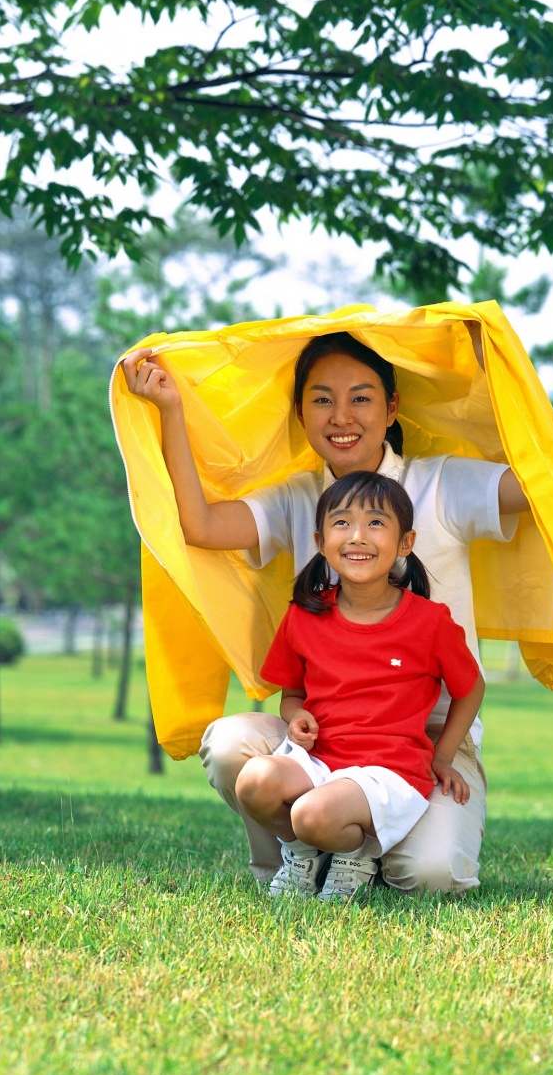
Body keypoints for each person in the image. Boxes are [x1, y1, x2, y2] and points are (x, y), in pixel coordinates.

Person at [121, 328, 530, 895]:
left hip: (425, 739)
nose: (342, 416)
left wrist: (503, 379)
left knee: (430, 875)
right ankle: (297, 862)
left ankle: (364, 850)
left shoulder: (441, 483)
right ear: (300, 412)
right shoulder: (297, 496)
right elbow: (201, 526)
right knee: (229, 744)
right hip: (325, 736)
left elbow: (539, 487)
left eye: (361, 397)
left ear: (391, 408)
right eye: (322, 399)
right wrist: (169, 409)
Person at [236, 471, 484, 900]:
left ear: (405, 543)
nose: (357, 536)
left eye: (375, 523)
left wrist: (443, 756)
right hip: (321, 761)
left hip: (389, 772)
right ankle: (301, 855)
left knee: (314, 813)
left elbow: (471, 688)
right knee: (254, 780)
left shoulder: (430, 622)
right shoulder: (304, 616)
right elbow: (291, 694)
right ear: (320, 540)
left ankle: (357, 858)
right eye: (342, 522)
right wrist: (296, 719)